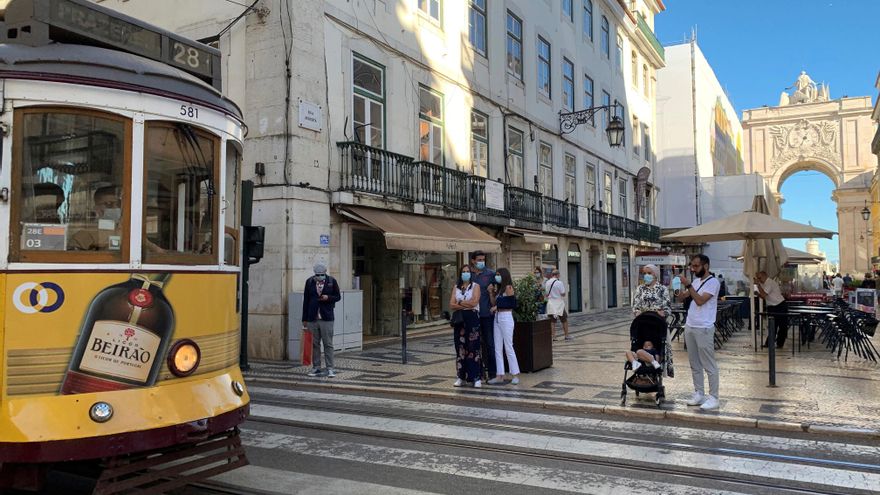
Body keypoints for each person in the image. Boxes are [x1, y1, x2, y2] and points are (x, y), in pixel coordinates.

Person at [676, 254, 721, 411]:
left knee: (709, 364)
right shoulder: (696, 281)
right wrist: (677, 289)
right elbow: (681, 299)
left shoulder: (713, 282)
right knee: (694, 363)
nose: (693, 269)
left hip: (704, 327)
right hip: (690, 325)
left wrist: (689, 286)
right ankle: (699, 393)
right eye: (692, 266)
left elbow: (700, 300)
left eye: (696, 266)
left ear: (706, 266)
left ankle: (714, 397)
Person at [302, 262, 341, 377]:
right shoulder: (309, 282)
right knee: (315, 344)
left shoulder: (331, 281)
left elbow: (338, 296)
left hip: (327, 318)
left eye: (322, 274)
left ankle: (330, 368)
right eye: (317, 274)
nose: (319, 276)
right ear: (315, 274)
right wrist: (304, 318)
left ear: (325, 273)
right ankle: (316, 367)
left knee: (328, 344)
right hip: (312, 318)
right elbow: (306, 301)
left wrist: (328, 297)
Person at [449, 264, 482, 388]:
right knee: (460, 348)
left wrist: (460, 302)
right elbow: (452, 305)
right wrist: (465, 305)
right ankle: (460, 376)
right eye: (463, 271)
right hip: (459, 321)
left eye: (468, 271)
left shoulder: (475, 286)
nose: (466, 273)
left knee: (473, 348)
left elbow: (474, 302)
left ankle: (476, 377)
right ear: (460, 273)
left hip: (472, 320)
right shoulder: (456, 287)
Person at [488, 268, 520, 385]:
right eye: (496, 275)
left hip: (506, 317)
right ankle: (499, 375)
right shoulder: (499, 289)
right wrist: (491, 293)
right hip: (497, 318)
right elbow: (493, 304)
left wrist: (497, 307)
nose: (497, 277)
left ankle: (515, 374)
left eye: (499, 275)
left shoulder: (508, 288)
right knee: (497, 347)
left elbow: (512, 303)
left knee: (508, 346)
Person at [70, 186, 123, 251]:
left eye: (118, 204)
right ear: (97, 208)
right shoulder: (87, 234)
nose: (115, 207)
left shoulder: (128, 231)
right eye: (109, 204)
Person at [470, 251, 496, 380]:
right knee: (474, 345)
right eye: (479, 259)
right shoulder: (469, 275)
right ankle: (478, 373)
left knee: (490, 344)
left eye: (483, 259)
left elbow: (497, 292)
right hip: (473, 315)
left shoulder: (490, 274)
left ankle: (492, 373)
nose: (481, 262)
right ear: (473, 261)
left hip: (487, 315)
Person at [755, 271, 788, 348]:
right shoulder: (764, 284)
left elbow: (764, 294)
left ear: (764, 276)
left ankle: (780, 343)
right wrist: (758, 294)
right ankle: (769, 343)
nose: (759, 280)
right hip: (772, 307)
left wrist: (758, 285)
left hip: (779, 305)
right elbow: (764, 296)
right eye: (757, 278)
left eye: (759, 278)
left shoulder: (769, 283)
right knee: (772, 326)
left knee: (782, 326)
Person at [544, 269, 570, 341]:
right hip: (559, 303)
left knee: (552, 321)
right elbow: (563, 294)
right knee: (564, 320)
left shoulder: (547, 282)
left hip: (551, 303)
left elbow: (546, 294)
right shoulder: (559, 283)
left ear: (552, 275)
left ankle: (554, 337)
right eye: (559, 275)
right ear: (557, 275)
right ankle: (566, 335)